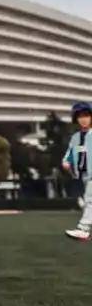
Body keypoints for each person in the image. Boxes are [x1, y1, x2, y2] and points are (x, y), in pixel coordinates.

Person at [63, 101, 92, 241]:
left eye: (86, 115)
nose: (83, 119)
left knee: (90, 200)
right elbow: (69, 155)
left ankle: (83, 229)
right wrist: (66, 162)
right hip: (84, 175)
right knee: (87, 201)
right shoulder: (75, 138)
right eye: (80, 116)